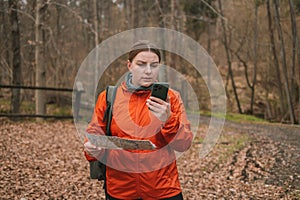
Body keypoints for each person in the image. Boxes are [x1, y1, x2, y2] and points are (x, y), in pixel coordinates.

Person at [84, 40, 193, 200]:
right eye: (141, 64)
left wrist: (168, 119)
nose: (148, 71)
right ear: (129, 65)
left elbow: (184, 144)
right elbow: (94, 136)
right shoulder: (109, 98)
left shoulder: (171, 98)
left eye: (154, 65)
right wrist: (93, 150)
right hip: (120, 190)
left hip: (163, 190)